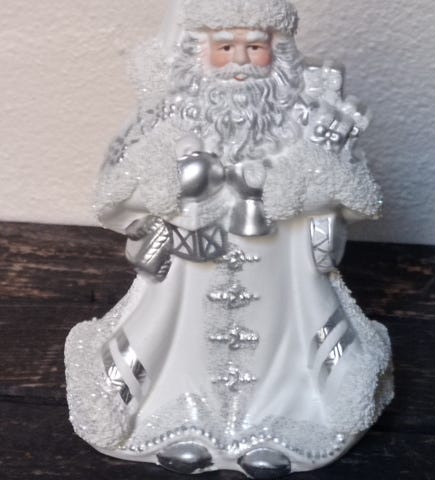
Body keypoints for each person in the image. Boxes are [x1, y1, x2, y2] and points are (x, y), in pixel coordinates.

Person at [65, 1, 393, 477]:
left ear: (277, 51)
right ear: (199, 51)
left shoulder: (308, 119)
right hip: (189, 273)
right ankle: (185, 422)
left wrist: (291, 187)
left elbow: (360, 200)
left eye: (254, 47)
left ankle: (273, 425)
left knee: (280, 344)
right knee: (181, 342)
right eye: (225, 47)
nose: (240, 60)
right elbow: (114, 196)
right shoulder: (170, 119)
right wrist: (175, 185)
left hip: (281, 272)